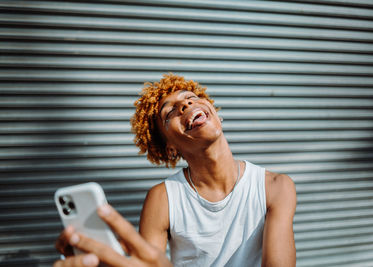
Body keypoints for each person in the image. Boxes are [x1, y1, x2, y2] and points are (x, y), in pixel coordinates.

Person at [54, 74, 297, 267]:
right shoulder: (162, 199)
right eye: (169, 112)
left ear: (217, 115)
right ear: (170, 148)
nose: (185, 104)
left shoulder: (276, 187)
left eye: (191, 97)